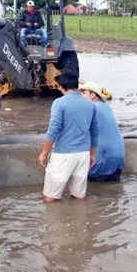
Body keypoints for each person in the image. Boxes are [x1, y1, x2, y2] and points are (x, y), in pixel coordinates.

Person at [37, 73, 99, 203]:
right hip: (83, 155)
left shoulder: (59, 103)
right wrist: (92, 154)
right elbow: (95, 132)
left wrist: (44, 153)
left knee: (50, 198)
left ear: (62, 86)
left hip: (63, 155)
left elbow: (54, 130)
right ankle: (80, 220)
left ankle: (54, 222)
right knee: (79, 197)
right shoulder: (90, 105)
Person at [79, 81, 125, 181]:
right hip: (118, 158)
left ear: (92, 95)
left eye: (83, 92)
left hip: (103, 159)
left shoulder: (91, 108)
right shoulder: (106, 107)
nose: (80, 95)